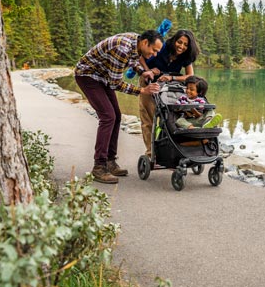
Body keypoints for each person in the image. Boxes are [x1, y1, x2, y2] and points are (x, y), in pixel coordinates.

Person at [74, 30, 162, 184]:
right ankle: (99, 167)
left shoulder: (136, 41)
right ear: (145, 43)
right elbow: (115, 84)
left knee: (117, 116)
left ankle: (110, 161)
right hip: (87, 75)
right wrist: (142, 90)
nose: (154, 54)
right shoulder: (122, 48)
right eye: (154, 50)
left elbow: (132, 61)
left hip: (103, 76)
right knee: (108, 116)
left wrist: (143, 72)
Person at [138, 29, 200, 158]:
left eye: (185, 44)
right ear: (174, 40)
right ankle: (151, 153)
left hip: (169, 86)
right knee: (149, 119)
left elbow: (190, 76)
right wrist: (147, 70)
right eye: (179, 42)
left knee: (169, 117)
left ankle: (170, 151)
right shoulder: (163, 46)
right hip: (149, 82)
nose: (181, 46)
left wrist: (172, 78)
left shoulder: (186, 56)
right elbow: (141, 57)